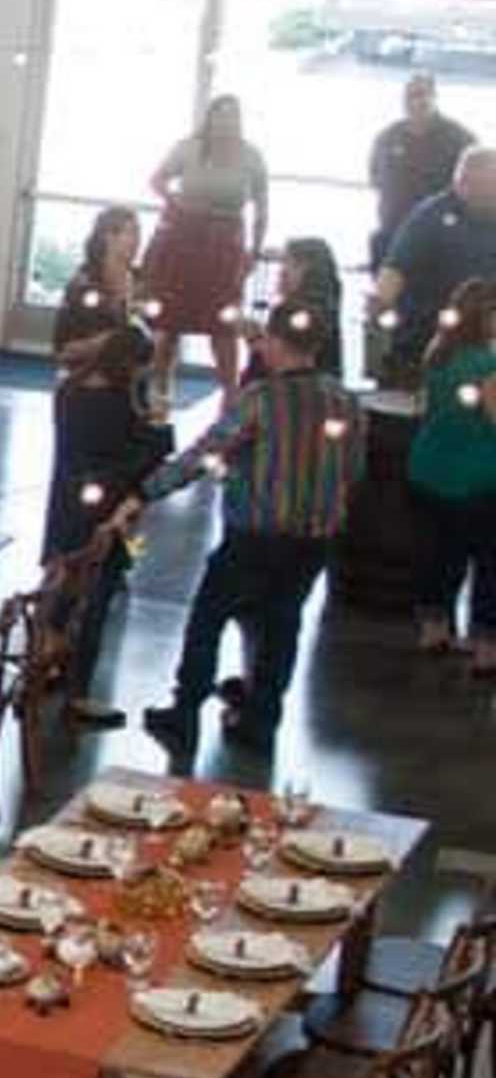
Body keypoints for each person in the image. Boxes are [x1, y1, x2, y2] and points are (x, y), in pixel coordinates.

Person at [127, 300, 357, 751]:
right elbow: (353, 468)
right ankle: (261, 718)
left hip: (254, 536)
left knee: (208, 618)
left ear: (274, 342)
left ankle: (184, 711)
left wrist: (145, 492)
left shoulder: (262, 400)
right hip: (312, 540)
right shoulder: (345, 402)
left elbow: (203, 453)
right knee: (282, 626)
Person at [43, 326, 174, 728]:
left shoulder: (69, 391)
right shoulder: (118, 402)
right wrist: (160, 430)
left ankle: (44, 664)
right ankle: (77, 691)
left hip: (67, 503)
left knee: (61, 590)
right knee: (96, 601)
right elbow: (140, 457)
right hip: (107, 513)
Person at [141, 94, 268, 399]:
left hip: (225, 243)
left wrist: (255, 250)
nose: (225, 123)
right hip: (184, 238)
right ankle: (159, 391)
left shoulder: (251, 156)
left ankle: (230, 395)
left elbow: (262, 209)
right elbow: (156, 180)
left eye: (231, 117)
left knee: (222, 324)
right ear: (209, 119)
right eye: (220, 116)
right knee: (170, 321)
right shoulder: (189, 147)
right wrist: (175, 202)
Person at [410, 277, 496, 670]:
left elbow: (426, 408)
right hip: (477, 477)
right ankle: (486, 649)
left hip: (429, 468)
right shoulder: (488, 364)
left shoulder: (438, 354)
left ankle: (434, 631)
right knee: (488, 563)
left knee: (440, 554)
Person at [373, 148, 496, 388]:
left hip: (487, 334)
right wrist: (381, 299)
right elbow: (396, 267)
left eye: (484, 184)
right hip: (432, 335)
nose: (472, 189)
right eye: (466, 182)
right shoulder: (431, 215)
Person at [370, 73, 473, 272]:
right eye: (410, 96)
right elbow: (376, 177)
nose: (416, 101)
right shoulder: (388, 137)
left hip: (440, 236)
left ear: (435, 97)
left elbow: (474, 186)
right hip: (393, 230)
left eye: (422, 94)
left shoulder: (460, 138)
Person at [53, 204, 147, 367]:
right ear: (109, 236)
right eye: (131, 232)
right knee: (130, 337)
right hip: (86, 373)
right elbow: (65, 348)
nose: (137, 240)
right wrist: (115, 340)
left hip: (129, 374)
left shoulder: (141, 280)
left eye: (138, 232)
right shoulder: (84, 282)